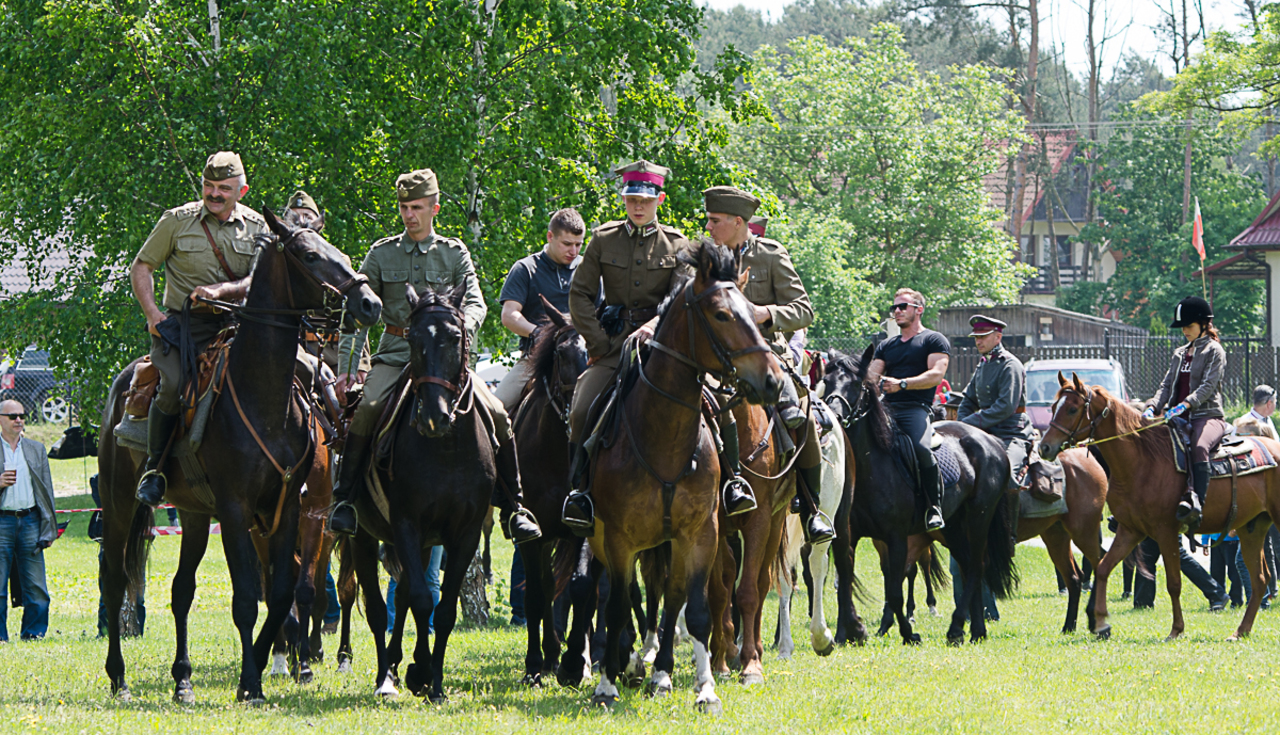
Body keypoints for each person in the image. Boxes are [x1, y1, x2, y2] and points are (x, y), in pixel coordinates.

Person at [327, 168, 541, 544]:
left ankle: (514, 506)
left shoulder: (454, 252)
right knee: (368, 407)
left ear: (434, 208)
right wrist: (349, 370)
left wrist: (458, 332)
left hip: (446, 363)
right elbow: (357, 315)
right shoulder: (381, 253)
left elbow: (475, 302)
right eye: (404, 207)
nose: (409, 215)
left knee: (497, 413)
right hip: (395, 356)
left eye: (417, 207)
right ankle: (344, 500)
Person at [561, 160, 695, 532]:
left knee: (715, 408)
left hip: (665, 349)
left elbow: (680, 295)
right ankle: (580, 494)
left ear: (660, 200)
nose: (638, 207)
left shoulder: (678, 243)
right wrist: (600, 343)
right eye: (632, 199)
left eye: (646, 201)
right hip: (615, 347)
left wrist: (654, 326)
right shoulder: (603, 239)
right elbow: (580, 294)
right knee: (580, 410)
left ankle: (728, 485)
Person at [130, 152, 267, 507]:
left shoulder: (257, 227)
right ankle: (155, 469)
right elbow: (142, 266)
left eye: (224, 187)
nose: (215, 193)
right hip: (183, 327)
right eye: (209, 186)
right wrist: (151, 313)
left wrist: (224, 291)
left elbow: (259, 278)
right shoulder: (177, 220)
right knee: (174, 384)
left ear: (242, 190)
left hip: (238, 327)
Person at [703, 186, 832, 542]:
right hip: (716, 354)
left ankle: (810, 505)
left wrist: (766, 313)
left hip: (766, 351)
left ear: (738, 222)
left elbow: (803, 309)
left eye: (715, 221)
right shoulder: (707, 258)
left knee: (800, 410)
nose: (708, 226)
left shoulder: (772, 254)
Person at [867, 289, 951, 531]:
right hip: (885, 408)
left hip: (915, 408)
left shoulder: (933, 340)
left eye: (903, 306)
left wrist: (903, 384)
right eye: (895, 307)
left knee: (921, 447)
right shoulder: (886, 345)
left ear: (919, 309)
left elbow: (936, 375)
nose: (897, 311)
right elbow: (872, 375)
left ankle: (933, 507)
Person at [1143, 296, 1227, 531]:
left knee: (1199, 447)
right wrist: (1153, 406)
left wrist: (1186, 405)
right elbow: (1166, 386)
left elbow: (1208, 386)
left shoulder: (1215, 351)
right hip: (1176, 417)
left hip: (1208, 416)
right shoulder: (1179, 353)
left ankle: (1197, 503)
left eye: (1189, 326)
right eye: (1183, 328)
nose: (1185, 332)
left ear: (1203, 324)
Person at [492, 208, 587, 413]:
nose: (574, 251)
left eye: (579, 244)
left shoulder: (588, 269)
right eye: (567, 244)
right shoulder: (525, 268)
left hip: (583, 359)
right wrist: (539, 334)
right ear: (550, 236)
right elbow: (509, 315)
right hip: (534, 360)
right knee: (493, 411)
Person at [956, 316, 1036, 489]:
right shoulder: (983, 364)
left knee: (1006, 477)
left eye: (983, 336)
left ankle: (1011, 516)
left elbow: (1005, 407)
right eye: (976, 337)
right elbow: (969, 400)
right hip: (986, 431)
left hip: (1011, 432)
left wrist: (970, 422)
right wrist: (961, 425)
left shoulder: (1010, 365)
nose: (978, 341)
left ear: (998, 337)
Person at [0, 400, 56, 641]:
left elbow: (47, 492)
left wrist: (48, 528)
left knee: (36, 587)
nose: (19, 420)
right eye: (12, 416)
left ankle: (34, 634)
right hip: (2, 521)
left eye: (22, 415)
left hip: (30, 521)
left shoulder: (36, 449)